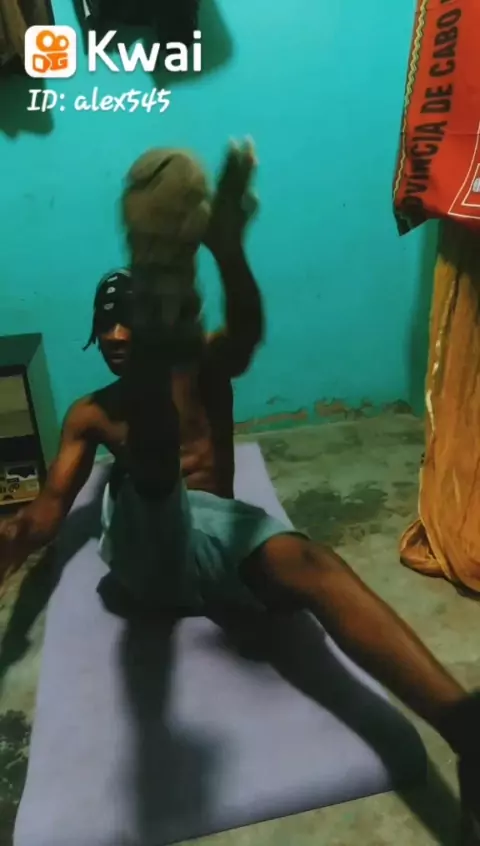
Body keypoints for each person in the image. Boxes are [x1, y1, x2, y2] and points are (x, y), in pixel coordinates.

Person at [0, 142, 478, 842]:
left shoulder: (207, 369)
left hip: (217, 540)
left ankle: (467, 731)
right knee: (152, 474)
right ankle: (166, 284)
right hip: (144, 555)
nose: (117, 336)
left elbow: (247, 333)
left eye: (133, 322)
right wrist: (12, 545)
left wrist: (227, 250)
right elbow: (47, 512)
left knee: (309, 561)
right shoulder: (91, 414)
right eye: (108, 329)